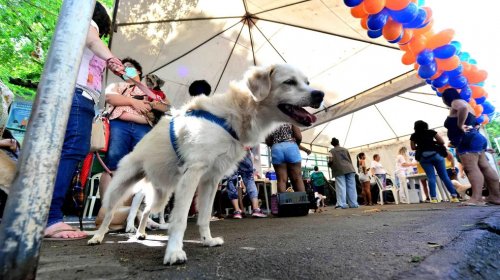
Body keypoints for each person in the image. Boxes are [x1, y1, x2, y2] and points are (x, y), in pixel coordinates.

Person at [44, 2, 125, 240]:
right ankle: (51, 218)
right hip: (77, 95)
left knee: (66, 151)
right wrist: (115, 62)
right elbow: (91, 39)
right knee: (72, 149)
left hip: (78, 97)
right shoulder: (86, 23)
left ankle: (48, 215)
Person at [96, 57, 168, 229]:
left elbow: (165, 107)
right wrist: (134, 101)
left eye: (130, 67)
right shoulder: (117, 86)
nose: (125, 69)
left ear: (139, 72)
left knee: (139, 169)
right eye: (123, 67)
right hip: (119, 124)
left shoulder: (149, 90)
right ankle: (108, 211)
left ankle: (126, 215)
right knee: (113, 165)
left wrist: (152, 104)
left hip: (144, 128)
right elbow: (110, 97)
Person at [442, 88, 500, 205]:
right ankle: (496, 196)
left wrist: (459, 125)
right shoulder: (470, 106)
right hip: (475, 138)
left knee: (471, 168)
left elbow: (462, 108)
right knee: (485, 167)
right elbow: (475, 124)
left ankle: (477, 198)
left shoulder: (456, 102)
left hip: (467, 140)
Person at [410, 120, 460, 203]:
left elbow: (413, 147)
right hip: (436, 155)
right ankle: (454, 196)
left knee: (431, 177)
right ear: (426, 125)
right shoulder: (431, 132)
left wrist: (421, 145)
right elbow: (441, 142)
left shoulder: (414, 135)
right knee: (444, 176)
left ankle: (433, 198)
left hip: (423, 157)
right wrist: (432, 142)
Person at [266, 124, 310, 193]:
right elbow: (298, 136)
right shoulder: (288, 116)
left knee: (281, 180)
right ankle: (301, 203)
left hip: (276, 148)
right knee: (297, 179)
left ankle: (283, 202)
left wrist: (275, 144)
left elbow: (268, 140)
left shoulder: (271, 119)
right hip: (291, 145)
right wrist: (295, 145)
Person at [226, 147, 267, 219]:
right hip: (244, 151)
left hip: (230, 153)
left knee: (231, 180)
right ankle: (256, 209)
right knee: (249, 180)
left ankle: (237, 211)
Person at [328, 137, 358, 209]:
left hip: (339, 170)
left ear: (332, 144)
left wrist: (329, 165)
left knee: (341, 187)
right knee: (352, 187)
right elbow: (349, 159)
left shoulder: (331, 151)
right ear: (338, 142)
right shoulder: (345, 149)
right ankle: (353, 204)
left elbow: (330, 161)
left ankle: (341, 204)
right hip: (350, 169)